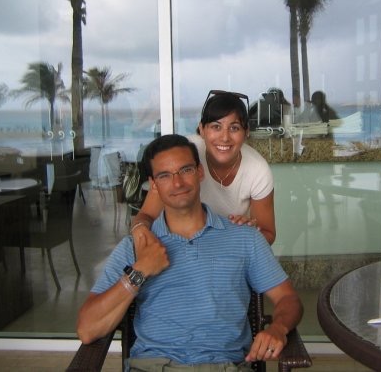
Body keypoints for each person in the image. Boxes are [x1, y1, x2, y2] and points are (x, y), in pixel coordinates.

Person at [76, 134, 303, 370]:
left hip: (224, 367)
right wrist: (139, 271)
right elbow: (87, 329)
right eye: (165, 175)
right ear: (153, 185)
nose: (177, 183)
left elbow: (288, 299)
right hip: (154, 366)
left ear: (199, 172)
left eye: (185, 170)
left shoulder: (245, 238)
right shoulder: (136, 246)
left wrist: (278, 328)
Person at [131, 90, 276, 245]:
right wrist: (140, 234)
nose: (225, 137)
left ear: (246, 132)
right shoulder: (184, 154)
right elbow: (146, 216)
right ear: (201, 129)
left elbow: (268, 232)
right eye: (216, 127)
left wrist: (250, 233)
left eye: (234, 128)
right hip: (179, 243)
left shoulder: (257, 170)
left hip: (230, 246)